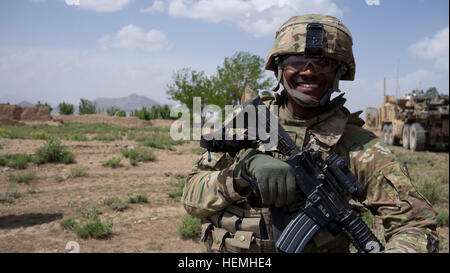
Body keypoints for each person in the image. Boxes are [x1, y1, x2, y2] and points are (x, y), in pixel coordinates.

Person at [181, 14, 439, 253]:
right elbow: (191, 198)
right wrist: (238, 176)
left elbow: (415, 226)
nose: (309, 71)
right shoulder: (247, 122)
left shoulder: (359, 146)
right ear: (279, 68)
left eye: (324, 63)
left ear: (339, 73)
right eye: (296, 61)